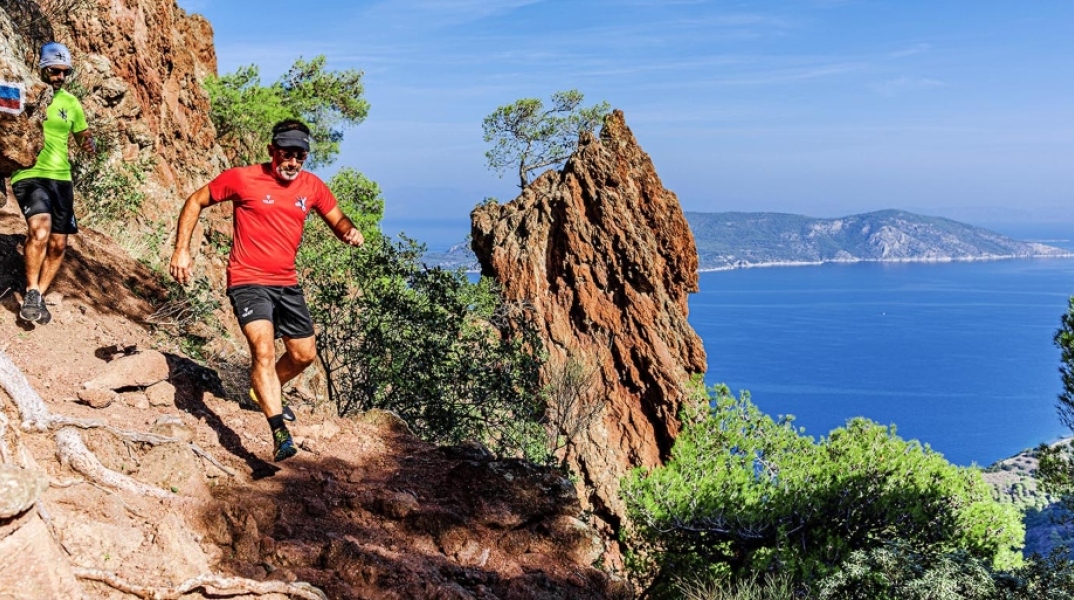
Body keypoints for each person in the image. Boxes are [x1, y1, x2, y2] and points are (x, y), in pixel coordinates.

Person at [169, 119, 364, 462]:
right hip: (247, 280)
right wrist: (181, 249)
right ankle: (279, 433)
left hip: (287, 282)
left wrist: (349, 231)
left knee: (304, 355)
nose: (292, 162)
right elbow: (195, 201)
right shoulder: (243, 178)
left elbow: (338, 219)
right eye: (287, 154)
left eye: (300, 156)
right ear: (272, 151)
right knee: (263, 350)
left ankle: (262, 389)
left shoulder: (312, 186)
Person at [11, 41, 95, 325]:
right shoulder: (27, 91)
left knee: (59, 244)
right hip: (30, 174)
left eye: (64, 72)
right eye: (54, 71)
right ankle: (32, 288)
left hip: (62, 180)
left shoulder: (71, 103)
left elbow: (83, 138)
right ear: (43, 68)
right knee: (40, 229)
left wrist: (90, 144)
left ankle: (39, 296)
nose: (59, 77)